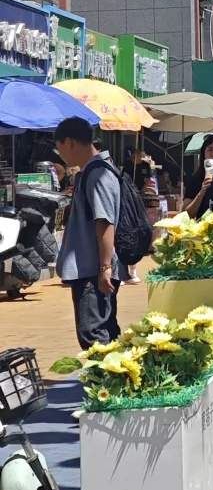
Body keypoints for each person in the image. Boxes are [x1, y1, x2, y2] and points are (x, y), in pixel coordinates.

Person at [54, 117, 124, 349]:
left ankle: (106, 373)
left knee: (93, 335)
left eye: (59, 148)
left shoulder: (97, 174)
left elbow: (105, 221)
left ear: (68, 142)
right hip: (93, 269)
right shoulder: (95, 171)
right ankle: (116, 371)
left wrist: (105, 267)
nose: (60, 155)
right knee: (104, 331)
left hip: (93, 271)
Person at [183, 133, 213, 219]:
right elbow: (186, 215)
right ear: (204, 154)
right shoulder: (197, 179)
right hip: (204, 225)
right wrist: (202, 192)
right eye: (210, 150)